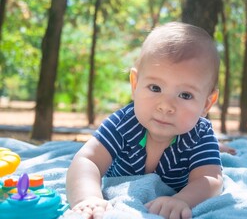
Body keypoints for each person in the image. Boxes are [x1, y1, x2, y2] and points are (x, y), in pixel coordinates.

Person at [66, 22, 224, 219]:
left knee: (210, 156)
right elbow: (88, 160)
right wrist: (87, 198)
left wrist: (182, 200)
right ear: (135, 84)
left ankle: (218, 149)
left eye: (185, 95)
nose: (165, 106)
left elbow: (210, 178)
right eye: (155, 88)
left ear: (207, 104)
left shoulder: (199, 134)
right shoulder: (123, 124)